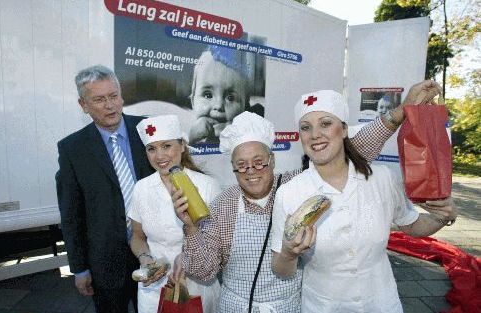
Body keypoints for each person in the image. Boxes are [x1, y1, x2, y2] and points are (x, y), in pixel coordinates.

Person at [172, 104, 394, 311]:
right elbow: (204, 271)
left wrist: (394, 118)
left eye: (259, 161)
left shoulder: (296, 186)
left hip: (288, 306)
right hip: (237, 307)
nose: (251, 170)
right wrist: (191, 228)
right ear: (233, 167)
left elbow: (349, 152)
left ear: (272, 160)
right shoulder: (223, 204)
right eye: (241, 165)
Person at [270, 89, 457, 312]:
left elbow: (413, 224)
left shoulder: (381, 178)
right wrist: (289, 254)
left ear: (345, 130)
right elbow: (281, 269)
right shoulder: (290, 193)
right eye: (306, 127)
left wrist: (442, 217)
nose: (315, 134)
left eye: (326, 123)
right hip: (324, 306)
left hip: (380, 303)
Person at [56, 65, 155, 313]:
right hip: (106, 265)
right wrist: (79, 268)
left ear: (122, 96)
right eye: (99, 100)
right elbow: (71, 216)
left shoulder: (148, 131)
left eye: (113, 96)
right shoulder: (72, 149)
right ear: (83, 105)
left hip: (155, 251)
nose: (110, 105)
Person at [128, 114, 221, 312]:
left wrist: (187, 258)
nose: (159, 156)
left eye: (166, 146)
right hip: (154, 290)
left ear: (182, 146)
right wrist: (145, 258)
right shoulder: (141, 189)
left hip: (198, 285)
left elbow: (217, 244)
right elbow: (137, 237)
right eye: (151, 149)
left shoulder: (207, 187)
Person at [188, 45, 264, 144]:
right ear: (193, 100)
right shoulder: (189, 135)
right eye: (208, 95)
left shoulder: (251, 123)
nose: (218, 106)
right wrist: (191, 140)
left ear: (245, 107)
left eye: (230, 98)